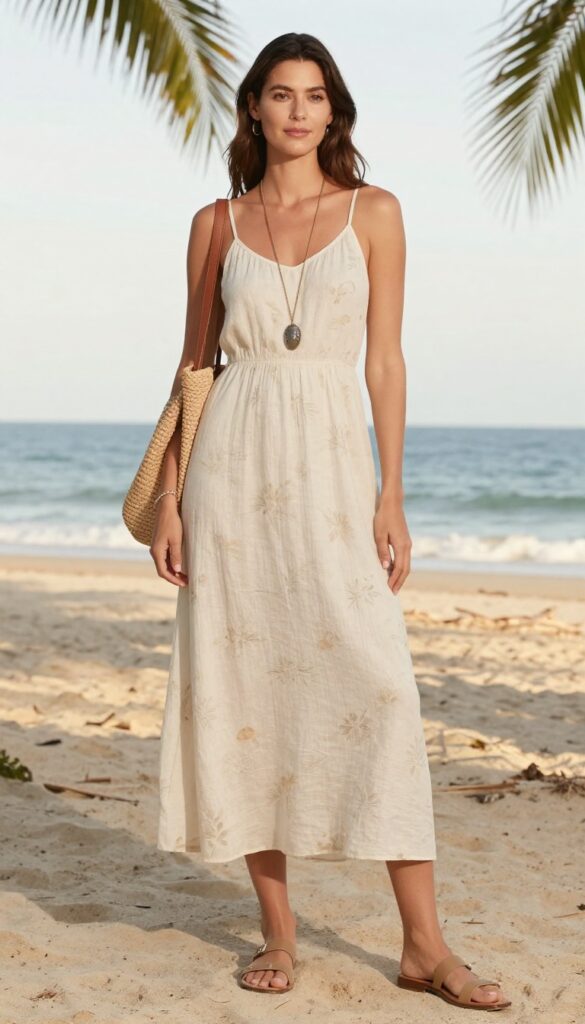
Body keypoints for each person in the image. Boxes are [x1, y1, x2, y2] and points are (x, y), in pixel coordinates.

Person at [149, 32, 511, 1012]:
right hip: (231, 478)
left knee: (383, 690)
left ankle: (425, 944)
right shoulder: (214, 223)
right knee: (245, 690)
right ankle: (277, 932)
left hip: (333, 473)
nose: (299, 110)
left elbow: (384, 364)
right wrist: (174, 498)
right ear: (255, 110)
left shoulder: (376, 213)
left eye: (315, 95)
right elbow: (196, 369)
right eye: (281, 93)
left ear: (333, 110)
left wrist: (391, 493)